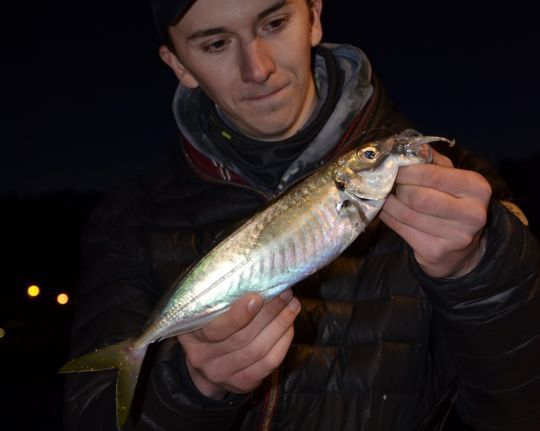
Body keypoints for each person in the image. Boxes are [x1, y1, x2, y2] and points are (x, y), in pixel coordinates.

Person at [62, 0, 540, 429]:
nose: (258, 68)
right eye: (215, 43)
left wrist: (482, 274)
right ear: (178, 63)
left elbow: (518, 407)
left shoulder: (463, 191)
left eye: (273, 21)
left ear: (313, 16)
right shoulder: (125, 222)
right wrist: (188, 389)